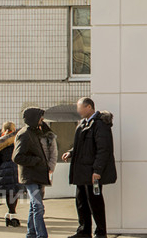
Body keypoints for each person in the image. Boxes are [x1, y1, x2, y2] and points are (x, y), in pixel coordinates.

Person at [63, 97, 116, 238]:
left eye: (79, 107)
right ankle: (84, 231)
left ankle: (101, 233)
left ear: (89, 107)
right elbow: (82, 145)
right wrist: (71, 152)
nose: (78, 110)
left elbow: (103, 150)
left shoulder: (100, 125)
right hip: (81, 172)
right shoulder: (83, 124)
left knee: (95, 203)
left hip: (92, 172)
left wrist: (97, 171)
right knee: (81, 202)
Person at [14, 107, 54, 238]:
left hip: (37, 174)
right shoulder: (24, 134)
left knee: (34, 206)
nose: (42, 120)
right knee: (38, 206)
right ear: (34, 118)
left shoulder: (34, 132)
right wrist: (36, 161)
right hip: (30, 176)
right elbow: (17, 157)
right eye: (40, 118)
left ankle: (31, 234)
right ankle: (41, 235)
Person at [0, 121, 21, 227]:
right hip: (15, 168)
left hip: (3, 169)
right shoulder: (16, 140)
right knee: (14, 193)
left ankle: (10, 215)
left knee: (8, 194)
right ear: (14, 129)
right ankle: (12, 215)